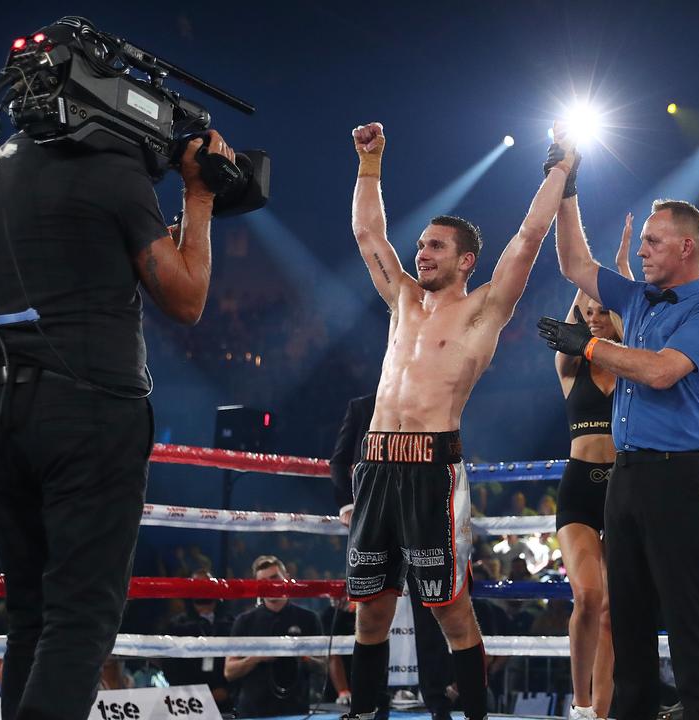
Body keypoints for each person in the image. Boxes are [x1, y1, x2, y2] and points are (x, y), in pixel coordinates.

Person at [0, 53, 235, 718]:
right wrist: (199, 196)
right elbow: (186, 296)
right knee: (81, 619)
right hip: (85, 410)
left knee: (32, 613)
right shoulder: (110, 172)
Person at [342, 120, 574, 720]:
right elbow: (368, 231)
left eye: (436, 246)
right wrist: (371, 163)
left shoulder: (482, 310)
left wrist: (558, 171)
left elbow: (528, 236)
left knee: (449, 608)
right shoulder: (400, 300)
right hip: (375, 465)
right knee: (369, 606)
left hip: (431, 468)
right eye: (420, 244)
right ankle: (367, 714)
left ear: (466, 260)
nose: (421, 252)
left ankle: (473, 716)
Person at [539, 192, 699, 719]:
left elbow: (661, 371)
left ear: (687, 246)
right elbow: (575, 263)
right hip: (624, 478)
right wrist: (568, 188)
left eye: (653, 240)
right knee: (626, 620)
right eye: (643, 240)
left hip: (677, 476)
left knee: (687, 617)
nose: (642, 250)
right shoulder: (637, 298)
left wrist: (590, 347)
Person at [552, 214, 634, 720]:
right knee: (587, 596)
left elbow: (634, 313)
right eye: (588, 309)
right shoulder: (570, 365)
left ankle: (600, 712)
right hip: (580, 488)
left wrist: (622, 270)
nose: (594, 313)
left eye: (604, 308)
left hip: (625, 487)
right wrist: (592, 274)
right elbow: (579, 290)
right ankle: (579, 705)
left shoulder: (634, 362)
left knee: (611, 612)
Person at [331, 394, 456, 720]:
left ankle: (437, 705)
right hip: (376, 525)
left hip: (419, 521)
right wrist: (347, 504)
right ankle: (372, 705)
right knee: (373, 616)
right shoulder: (361, 406)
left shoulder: (426, 400)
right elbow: (340, 460)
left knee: (430, 612)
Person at [226, 556, 323, 718]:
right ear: (257, 585)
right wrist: (257, 657)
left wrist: (302, 656)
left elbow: (324, 666)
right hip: (253, 711)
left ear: (286, 578)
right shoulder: (244, 621)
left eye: (274, 578)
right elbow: (229, 671)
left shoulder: (308, 618)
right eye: (263, 580)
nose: (270, 584)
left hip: (296, 709)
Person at [164, 569, 236, 712]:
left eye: (206, 586)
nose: (203, 591)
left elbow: (240, 660)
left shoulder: (231, 623)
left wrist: (228, 690)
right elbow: (170, 666)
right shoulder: (177, 626)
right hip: (190, 703)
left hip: (227, 700)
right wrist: (195, 694)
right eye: (198, 586)